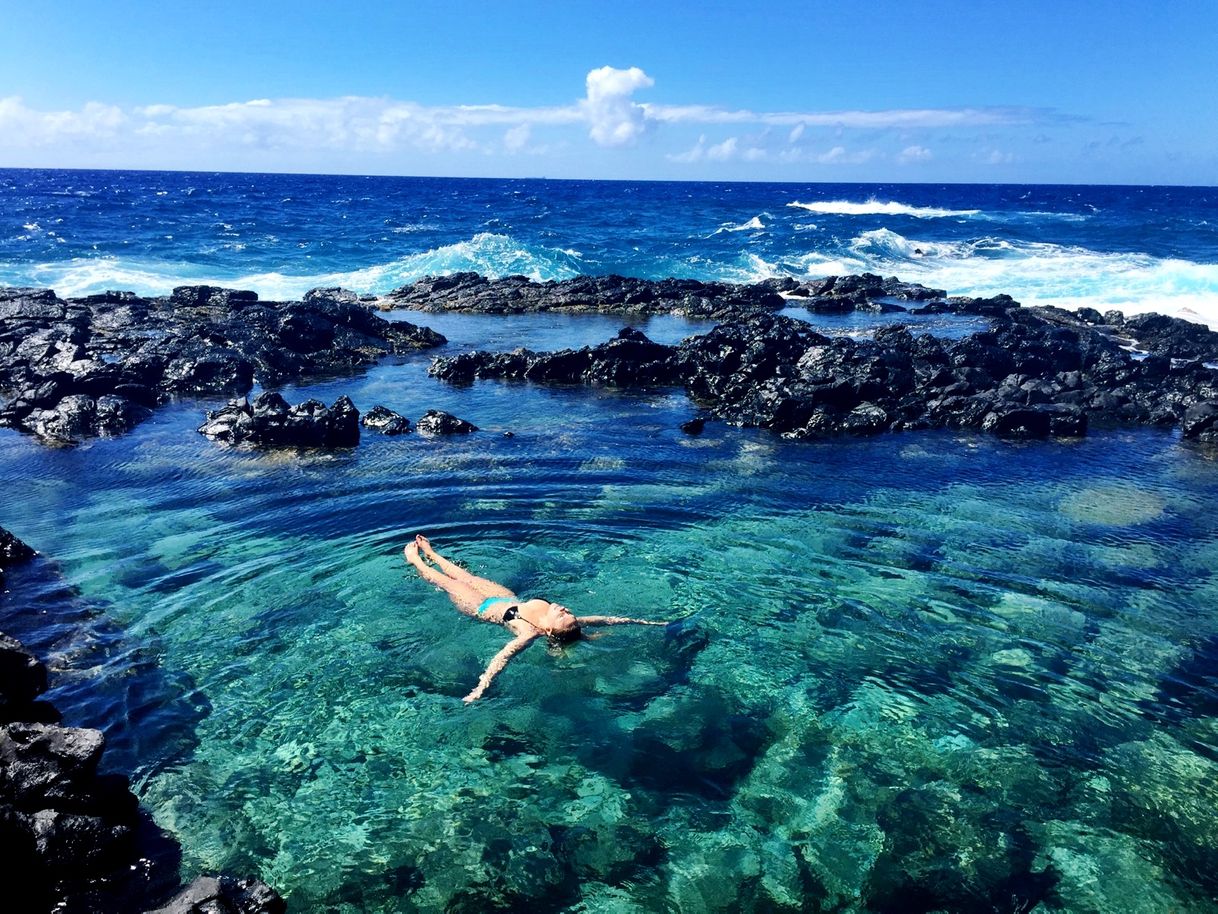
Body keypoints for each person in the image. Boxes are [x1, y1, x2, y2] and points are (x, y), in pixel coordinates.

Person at [404, 535, 665, 702]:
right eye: (567, 612)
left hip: (479, 607)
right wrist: (645, 623)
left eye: (562, 615)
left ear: (549, 632)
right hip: (506, 597)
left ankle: (416, 561)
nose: (563, 609)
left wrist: (480, 688)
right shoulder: (569, 626)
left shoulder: (529, 633)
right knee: (468, 577)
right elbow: (604, 619)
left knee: (446, 582)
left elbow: (502, 658)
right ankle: (433, 554)